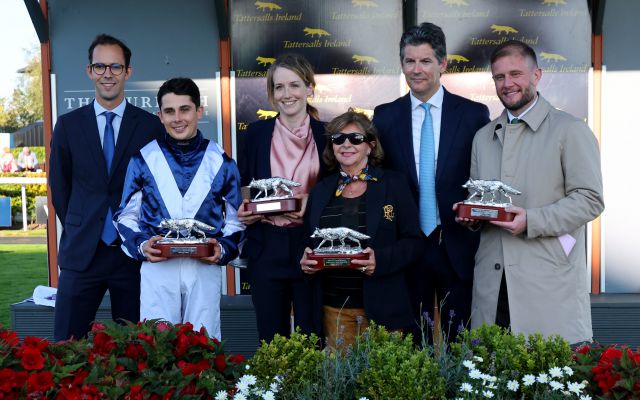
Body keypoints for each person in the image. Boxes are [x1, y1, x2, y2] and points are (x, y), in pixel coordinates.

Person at [456, 40, 604, 345]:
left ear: (536, 75)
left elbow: (590, 199)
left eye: (515, 74)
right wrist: (471, 215)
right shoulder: (483, 137)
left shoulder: (570, 130)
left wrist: (532, 220)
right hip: (491, 290)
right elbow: (480, 198)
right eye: (499, 77)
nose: (507, 84)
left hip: (548, 290)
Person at [372, 22, 490, 340]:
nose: (417, 69)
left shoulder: (474, 115)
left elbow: (486, 176)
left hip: (457, 244)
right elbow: (377, 180)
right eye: (409, 61)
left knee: (461, 342)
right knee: (413, 343)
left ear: (443, 63)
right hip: (408, 246)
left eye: (425, 61)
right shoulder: (384, 117)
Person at [49, 34, 165, 341]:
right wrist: (83, 222)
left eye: (115, 66)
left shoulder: (150, 126)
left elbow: (158, 187)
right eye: (100, 66)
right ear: (89, 71)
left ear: (128, 72)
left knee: (141, 349)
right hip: (83, 249)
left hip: (133, 253)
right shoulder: (69, 125)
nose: (107, 74)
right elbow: (60, 187)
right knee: (65, 344)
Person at [114, 78, 244, 339]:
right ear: (159, 116)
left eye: (184, 109)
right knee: (157, 346)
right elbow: (125, 217)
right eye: (169, 111)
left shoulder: (220, 160)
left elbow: (236, 220)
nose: (178, 118)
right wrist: (141, 245)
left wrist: (223, 249)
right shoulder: (143, 159)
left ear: (199, 111)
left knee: (203, 345)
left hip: (203, 268)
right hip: (159, 266)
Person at [300, 110, 421, 348]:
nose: (346, 144)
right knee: (340, 383)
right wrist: (304, 260)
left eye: (355, 138)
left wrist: (381, 260)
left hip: (384, 308)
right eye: (338, 139)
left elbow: (414, 242)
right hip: (334, 310)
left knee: (384, 383)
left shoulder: (394, 184)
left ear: (370, 145)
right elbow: (307, 241)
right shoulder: (321, 190)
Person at [238, 53, 328, 343]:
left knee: (312, 338)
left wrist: (309, 204)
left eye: (294, 85)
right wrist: (246, 209)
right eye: (279, 87)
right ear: (271, 94)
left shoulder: (328, 135)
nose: (287, 94)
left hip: (312, 246)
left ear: (309, 88)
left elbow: (339, 192)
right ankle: (273, 390)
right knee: (270, 339)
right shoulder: (255, 134)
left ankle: (311, 391)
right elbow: (245, 186)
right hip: (265, 246)